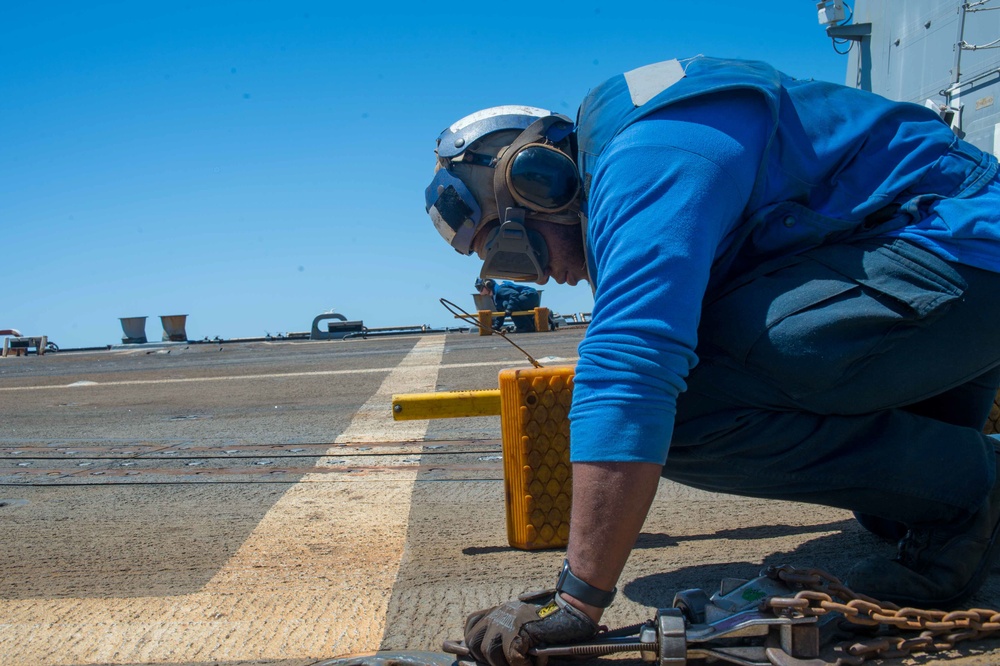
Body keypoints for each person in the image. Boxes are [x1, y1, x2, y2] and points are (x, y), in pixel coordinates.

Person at [424, 55, 1000, 666]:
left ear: (540, 183)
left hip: (959, 254)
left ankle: (971, 487)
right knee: (895, 508)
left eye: (518, 252)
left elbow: (633, 365)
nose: (546, 279)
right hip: (945, 278)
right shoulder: (644, 140)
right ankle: (951, 484)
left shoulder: (647, 160)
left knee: (684, 404)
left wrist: (577, 600)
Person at [476, 277, 542, 332]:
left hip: (529, 296)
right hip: (530, 296)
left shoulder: (499, 289)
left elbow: (514, 294)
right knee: (505, 304)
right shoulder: (495, 294)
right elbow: (500, 311)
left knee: (507, 304)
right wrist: (496, 326)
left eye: (480, 288)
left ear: (487, 285)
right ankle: (532, 323)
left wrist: (509, 309)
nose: (479, 291)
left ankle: (525, 327)